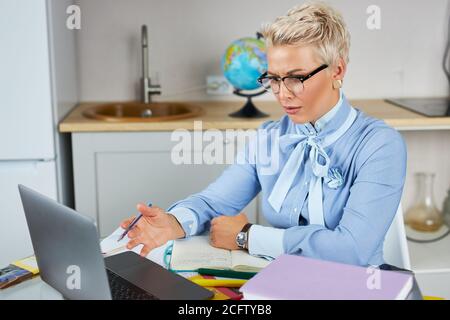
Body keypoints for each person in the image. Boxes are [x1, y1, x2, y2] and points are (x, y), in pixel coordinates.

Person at [120, 1, 407, 267]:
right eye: (273, 79)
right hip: (288, 282)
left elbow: (353, 251)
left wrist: (247, 236)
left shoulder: (380, 145)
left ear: (337, 70)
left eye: (296, 78)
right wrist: (174, 222)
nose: (282, 94)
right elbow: (214, 201)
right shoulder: (269, 137)